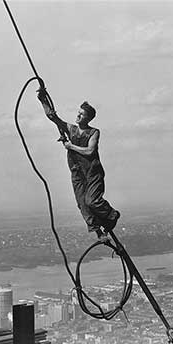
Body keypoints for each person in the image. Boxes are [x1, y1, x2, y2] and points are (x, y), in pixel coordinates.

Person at [37, 87, 120, 241]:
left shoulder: (94, 132)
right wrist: (42, 99)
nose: (78, 115)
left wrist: (71, 147)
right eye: (79, 113)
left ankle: (112, 215)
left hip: (92, 172)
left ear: (88, 118)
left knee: (92, 201)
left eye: (82, 114)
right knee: (82, 204)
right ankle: (99, 233)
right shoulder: (71, 129)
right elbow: (53, 117)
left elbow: (90, 151)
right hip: (77, 172)